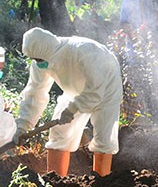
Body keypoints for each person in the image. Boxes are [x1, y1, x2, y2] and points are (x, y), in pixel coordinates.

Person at [14, 27, 123, 177]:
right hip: (74, 92)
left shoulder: (84, 51)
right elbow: (35, 94)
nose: (38, 63)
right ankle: (55, 182)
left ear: (49, 52)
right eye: (34, 60)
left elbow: (95, 91)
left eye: (39, 60)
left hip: (106, 90)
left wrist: (73, 109)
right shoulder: (40, 60)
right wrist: (23, 126)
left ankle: (101, 184)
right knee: (59, 132)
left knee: (104, 138)